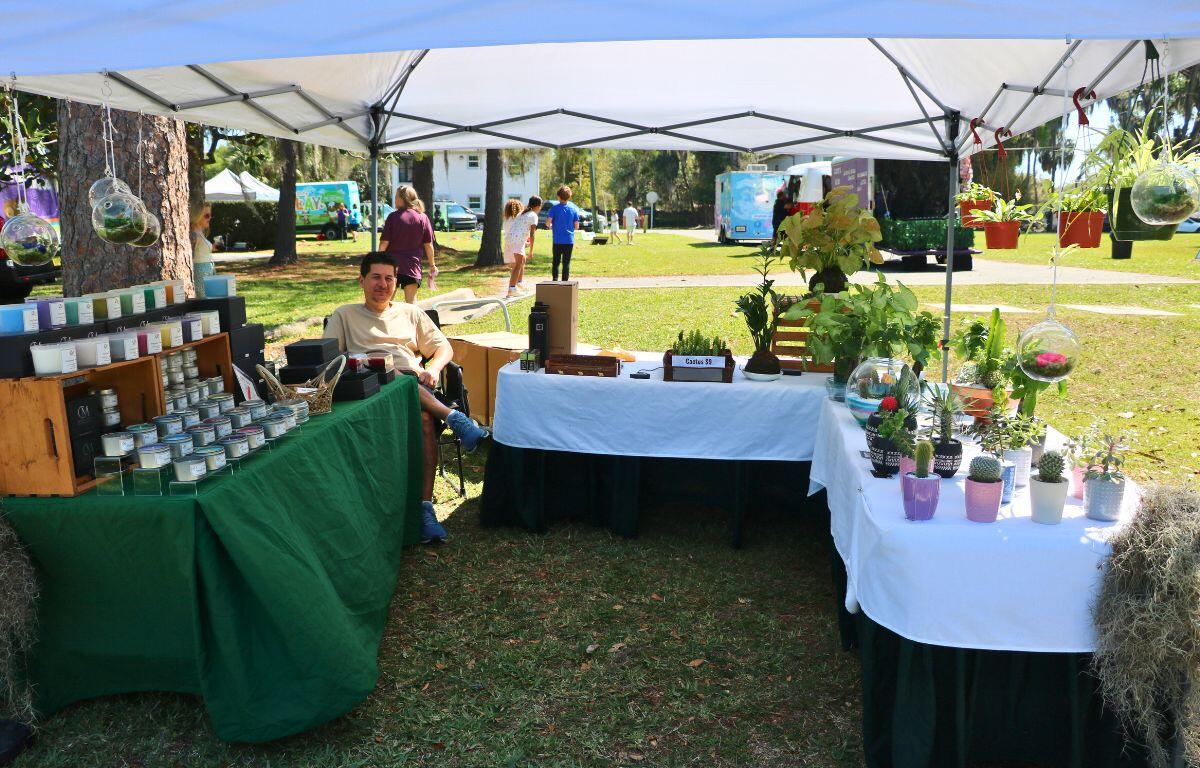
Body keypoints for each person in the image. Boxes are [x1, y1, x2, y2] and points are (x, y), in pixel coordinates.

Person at [325, 252, 489, 543]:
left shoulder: (410, 313)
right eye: (376, 277)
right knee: (390, 373)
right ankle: (456, 420)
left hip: (414, 384)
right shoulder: (344, 315)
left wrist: (435, 368)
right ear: (361, 280)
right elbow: (328, 359)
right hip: (367, 389)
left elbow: (443, 348)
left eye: (390, 278)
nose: (383, 284)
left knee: (425, 421)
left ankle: (424, 510)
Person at [379, 186, 438, 303]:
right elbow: (428, 245)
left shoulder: (393, 217)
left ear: (403, 199)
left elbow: (384, 243)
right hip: (412, 266)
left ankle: (382, 321)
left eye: (396, 197)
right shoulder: (422, 218)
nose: (395, 200)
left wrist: (378, 260)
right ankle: (412, 321)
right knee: (411, 303)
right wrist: (432, 265)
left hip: (392, 266)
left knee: (386, 301)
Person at [504, 195, 541, 297]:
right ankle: (512, 289)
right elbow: (532, 234)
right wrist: (531, 251)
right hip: (517, 241)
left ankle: (518, 284)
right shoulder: (533, 215)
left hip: (511, 239)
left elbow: (519, 228)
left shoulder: (523, 212)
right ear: (538, 206)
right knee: (518, 264)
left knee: (521, 261)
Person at [545, 185, 580, 281]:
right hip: (569, 240)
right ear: (569, 197)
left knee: (556, 261)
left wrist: (550, 226)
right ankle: (565, 281)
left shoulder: (554, 208)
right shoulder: (573, 210)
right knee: (566, 262)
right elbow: (576, 226)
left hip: (557, 240)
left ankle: (555, 279)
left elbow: (548, 222)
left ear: (558, 196)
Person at [190, 202, 215, 283]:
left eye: (210, 215)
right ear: (198, 216)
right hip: (201, 276)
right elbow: (191, 257)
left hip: (207, 273)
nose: (210, 218)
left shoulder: (200, 232)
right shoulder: (195, 234)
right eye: (207, 215)